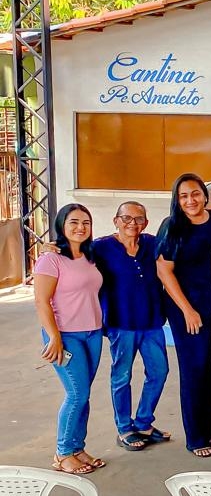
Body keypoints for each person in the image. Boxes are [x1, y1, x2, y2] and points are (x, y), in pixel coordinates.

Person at [156, 173, 211, 457]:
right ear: (177, 199)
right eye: (184, 195)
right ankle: (196, 437)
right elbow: (164, 270)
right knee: (194, 368)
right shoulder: (172, 226)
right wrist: (187, 309)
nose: (191, 200)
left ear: (204, 195)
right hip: (186, 307)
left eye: (195, 194)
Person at [35, 204, 106, 475]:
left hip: (93, 332)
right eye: (74, 222)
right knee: (77, 394)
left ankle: (77, 448)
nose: (80, 227)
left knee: (84, 395)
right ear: (62, 225)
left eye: (86, 222)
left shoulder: (90, 255)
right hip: (64, 334)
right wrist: (54, 336)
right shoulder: (50, 259)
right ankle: (63, 453)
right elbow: (41, 301)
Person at [94, 201, 169, 451]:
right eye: (126, 218)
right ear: (116, 220)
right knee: (122, 376)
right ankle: (125, 428)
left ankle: (144, 421)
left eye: (139, 219)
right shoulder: (102, 247)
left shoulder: (151, 243)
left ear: (146, 223)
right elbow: (73, 254)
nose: (132, 224)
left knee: (159, 372)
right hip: (121, 322)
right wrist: (53, 248)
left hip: (152, 321)